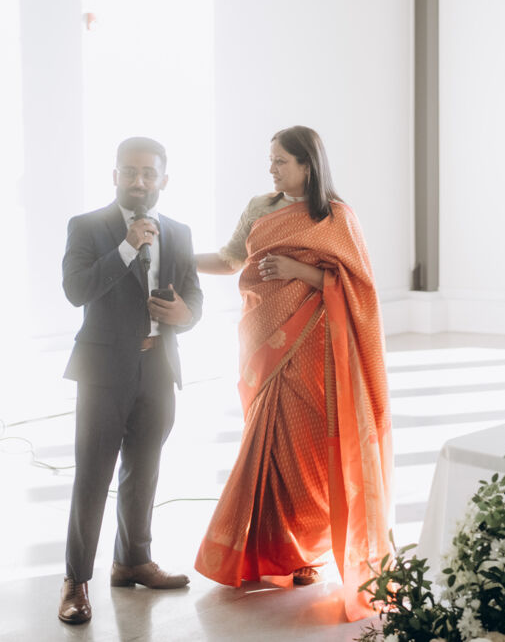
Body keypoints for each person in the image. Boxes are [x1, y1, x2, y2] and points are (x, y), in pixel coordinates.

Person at [192, 125, 392, 622]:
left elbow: (360, 287)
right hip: (262, 341)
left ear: (308, 165)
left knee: (307, 453)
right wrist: (174, 258)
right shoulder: (260, 208)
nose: (272, 169)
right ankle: (271, 548)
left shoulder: (336, 216)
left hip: (312, 349)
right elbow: (230, 259)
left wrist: (299, 271)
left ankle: (307, 550)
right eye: (271, 160)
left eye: (281, 161)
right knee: (269, 445)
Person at [59, 137, 203, 625]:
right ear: (115, 175)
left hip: (158, 367)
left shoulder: (179, 232)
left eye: (148, 173)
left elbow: (194, 297)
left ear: (164, 179)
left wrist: (185, 314)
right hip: (103, 371)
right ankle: (76, 581)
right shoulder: (87, 226)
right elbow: (76, 291)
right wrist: (127, 246)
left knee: (144, 471)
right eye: (130, 171)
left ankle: (133, 561)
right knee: (93, 476)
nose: (139, 181)